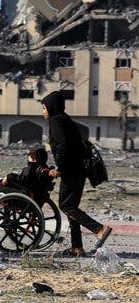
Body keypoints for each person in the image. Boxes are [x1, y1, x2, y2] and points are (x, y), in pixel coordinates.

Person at [42, 90, 112, 257]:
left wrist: (60, 168)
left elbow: (63, 147)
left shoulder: (56, 121)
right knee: (70, 207)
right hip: (77, 170)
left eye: (44, 108)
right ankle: (77, 248)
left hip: (71, 171)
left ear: (52, 107)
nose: (43, 111)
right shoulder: (65, 120)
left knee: (67, 206)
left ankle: (99, 229)